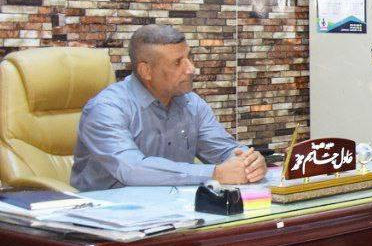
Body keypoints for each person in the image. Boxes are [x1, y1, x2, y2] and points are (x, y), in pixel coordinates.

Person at [71, 24, 267, 191]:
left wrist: (249, 162)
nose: (191, 69)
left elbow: (225, 150)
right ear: (146, 71)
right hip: (108, 215)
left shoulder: (191, 103)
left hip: (175, 210)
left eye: (189, 58)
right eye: (177, 62)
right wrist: (215, 173)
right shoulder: (106, 109)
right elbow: (131, 169)